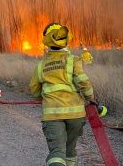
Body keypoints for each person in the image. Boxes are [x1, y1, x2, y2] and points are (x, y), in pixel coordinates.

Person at [30, 23, 94, 166]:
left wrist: (42, 98)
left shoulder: (41, 65)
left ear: (47, 42)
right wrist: (91, 99)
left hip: (52, 116)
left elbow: (34, 89)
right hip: (75, 116)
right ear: (67, 40)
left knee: (57, 154)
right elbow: (84, 82)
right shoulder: (73, 60)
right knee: (70, 152)